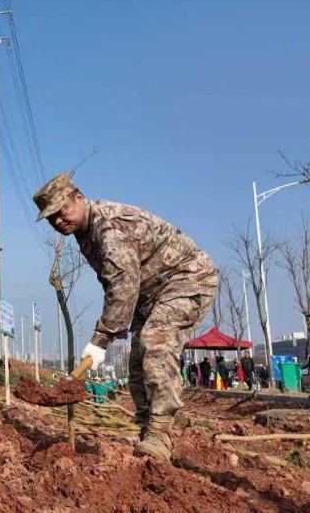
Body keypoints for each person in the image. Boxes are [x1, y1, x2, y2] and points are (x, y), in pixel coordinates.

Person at [32, 172, 218, 461]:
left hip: (186, 279)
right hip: (149, 294)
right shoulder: (84, 233)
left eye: (61, 210)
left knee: (155, 343)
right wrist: (111, 329)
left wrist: (101, 339)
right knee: (138, 362)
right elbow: (114, 283)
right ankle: (147, 431)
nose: (57, 221)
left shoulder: (110, 228)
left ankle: (160, 435)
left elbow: (122, 285)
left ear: (79, 198)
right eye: (51, 218)